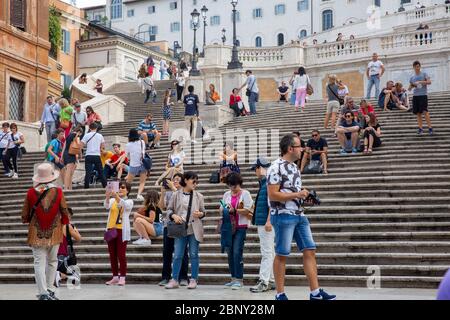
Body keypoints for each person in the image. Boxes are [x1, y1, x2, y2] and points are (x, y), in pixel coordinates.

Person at [267, 134, 336, 301]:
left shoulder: (295, 168)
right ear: (290, 148)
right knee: (282, 254)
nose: (303, 149)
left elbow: (291, 191)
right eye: (299, 146)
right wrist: (298, 194)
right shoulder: (275, 167)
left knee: (310, 250)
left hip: (299, 215)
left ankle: (315, 292)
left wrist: (305, 197)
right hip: (283, 215)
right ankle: (280, 294)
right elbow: (273, 195)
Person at [21, 162, 70, 300]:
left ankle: (42, 292)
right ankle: (50, 289)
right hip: (55, 231)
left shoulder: (31, 192)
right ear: (52, 177)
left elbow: (24, 214)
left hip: (36, 232)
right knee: (52, 261)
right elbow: (64, 210)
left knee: (39, 263)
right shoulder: (59, 191)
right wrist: (65, 222)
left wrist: (27, 219)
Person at [165, 172, 206, 290]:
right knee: (177, 255)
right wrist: (173, 216)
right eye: (193, 181)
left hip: (194, 228)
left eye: (197, 181)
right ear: (186, 180)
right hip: (180, 228)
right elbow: (168, 210)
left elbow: (204, 212)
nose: (195, 183)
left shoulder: (199, 196)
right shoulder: (176, 195)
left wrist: (200, 214)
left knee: (194, 254)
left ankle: (193, 279)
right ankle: (175, 279)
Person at [221, 172, 254, 290]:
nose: (232, 188)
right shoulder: (226, 194)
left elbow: (248, 209)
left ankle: (239, 279)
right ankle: (233, 278)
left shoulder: (245, 193)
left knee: (237, 252)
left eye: (234, 185)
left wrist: (235, 210)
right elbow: (222, 207)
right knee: (230, 253)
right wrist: (226, 208)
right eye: (230, 185)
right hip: (228, 227)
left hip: (241, 226)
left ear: (239, 183)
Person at [249, 157, 275, 293]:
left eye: (255, 169)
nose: (255, 171)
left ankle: (263, 281)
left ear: (260, 168)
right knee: (270, 251)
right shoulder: (265, 183)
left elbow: (273, 203)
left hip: (266, 222)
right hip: (264, 221)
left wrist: (269, 220)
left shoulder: (268, 182)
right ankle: (270, 280)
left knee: (266, 252)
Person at [158, 173, 189, 287]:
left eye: (177, 179)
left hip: (181, 224)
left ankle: (183, 277)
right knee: (167, 252)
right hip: (168, 225)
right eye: (173, 180)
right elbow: (161, 207)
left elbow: (182, 202)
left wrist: (173, 188)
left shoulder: (185, 193)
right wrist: (162, 193)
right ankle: (165, 277)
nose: (175, 181)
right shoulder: (169, 192)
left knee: (182, 252)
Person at [104, 181, 133, 286]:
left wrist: (116, 196)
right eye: (119, 187)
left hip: (122, 230)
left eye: (123, 187)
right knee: (112, 255)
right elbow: (106, 206)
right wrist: (107, 196)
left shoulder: (129, 201)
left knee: (121, 255)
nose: (120, 189)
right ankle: (115, 277)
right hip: (111, 229)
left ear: (128, 190)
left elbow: (124, 205)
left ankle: (123, 277)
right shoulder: (112, 200)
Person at [55, 208, 82, 287]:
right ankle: (59, 275)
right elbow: (79, 238)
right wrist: (75, 229)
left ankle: (57, 274)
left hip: (53, 256)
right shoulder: (68, 226)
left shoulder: (54, 225)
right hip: (65, 258)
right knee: (76, 280)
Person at [409, 60, 433, 135]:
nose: (417, 68)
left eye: (418, 66)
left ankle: (430, 128)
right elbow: (411, 86)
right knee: (418, 113)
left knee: (425, 111)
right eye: (416, 67)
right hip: (415, 96)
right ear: (413, 67)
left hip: (423, 95)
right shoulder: (412, 77)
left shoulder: (424, 74)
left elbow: (429, 82)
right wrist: (410, 87)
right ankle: (420, 128)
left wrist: (420, 82)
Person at [81, 123, 107, 189]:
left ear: (89, 128)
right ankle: (105, 185)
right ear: (96, 128)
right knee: (101, 171)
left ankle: (86, 186)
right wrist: (100, 149)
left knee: (88, 171)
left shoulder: (86, 135)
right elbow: (103, 146)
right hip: (97, 155)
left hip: (88, 155)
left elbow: (81, 145)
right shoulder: (100, 136)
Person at [125, 129, 149, 202]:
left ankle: (125, 195)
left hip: (133, 165)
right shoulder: (142, 142)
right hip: (142, 164)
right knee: (142, 182)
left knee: (128, 182)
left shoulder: (128, 145)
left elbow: (127, 156)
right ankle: (139, 194)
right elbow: (143, 151)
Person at [61, 126, 83, 191]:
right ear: (79, 132)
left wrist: (62, 156)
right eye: (80, 134)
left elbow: (64, 146)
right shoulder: (76, 136)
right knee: (69, 172)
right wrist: (80, 155)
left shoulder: (68, 136)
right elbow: (79, 146)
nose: (80, 135)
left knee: (69, 172)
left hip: (66, 153)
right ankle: (66, 188)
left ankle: (70, 188)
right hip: (71, 154)